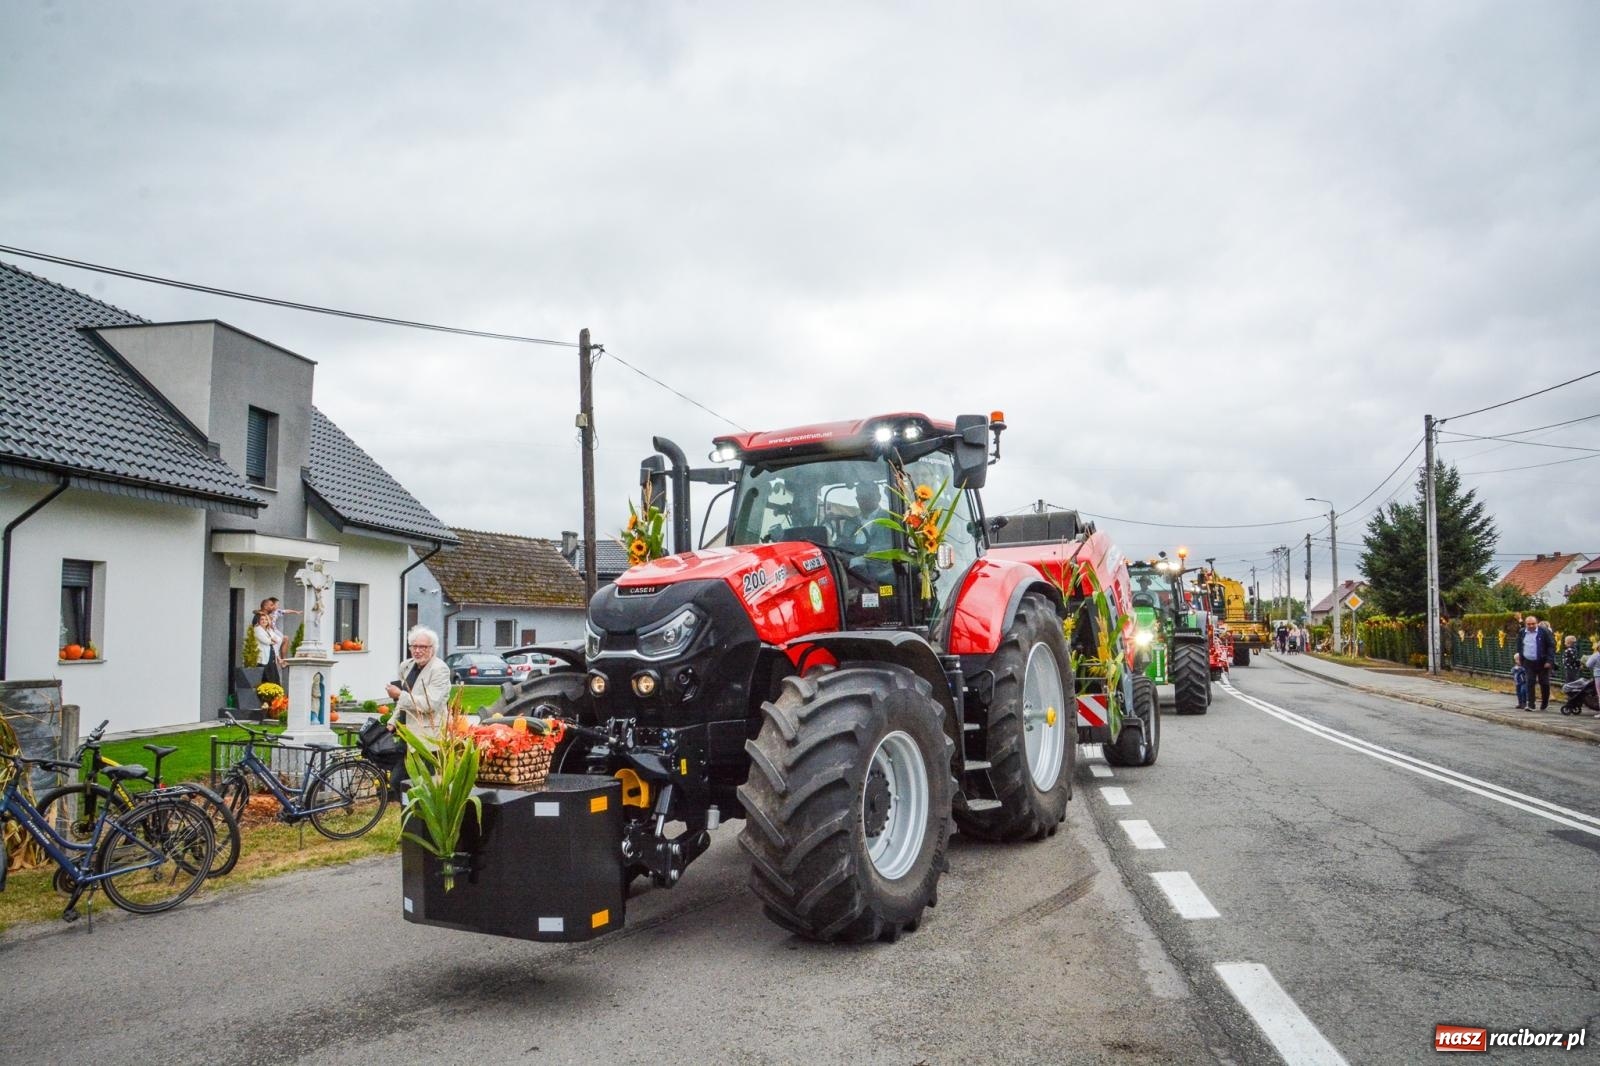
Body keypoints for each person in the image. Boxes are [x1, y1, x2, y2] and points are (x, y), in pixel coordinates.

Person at [380, 625, 452, 798]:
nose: (417, 651)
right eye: (414, 646)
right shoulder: (407, 666)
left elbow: (430, 704)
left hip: (428, 737)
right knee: (397, 781)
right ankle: (409, 814)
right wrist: (392, 721)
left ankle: (423, 817)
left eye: (423, 647)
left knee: (425, 782)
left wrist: (399, 694)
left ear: (432, 649)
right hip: (407, 734)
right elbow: (403, 701)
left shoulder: (439, 669)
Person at [1517, 615, 1555, 711]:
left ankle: (1545, 702)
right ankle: (1531, 704)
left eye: (1533, 624)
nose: (1531, 626)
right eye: (1528, 624)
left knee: (1544, 683)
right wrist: (1521, 659)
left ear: (1537, 623)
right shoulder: (1522, 632)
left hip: (1542, 661)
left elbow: (1551, 646)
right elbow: (1519, 646)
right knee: (1530, 682)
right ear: (1525, 624)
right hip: (1528, 661)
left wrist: (1549, 660)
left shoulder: (1543, 631)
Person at [851, 481, 896, 553]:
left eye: (869, 495)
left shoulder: (890, 519)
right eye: (862, 497)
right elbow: (842, 544)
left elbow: (896, 546)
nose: (865, 500)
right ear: (857, 499)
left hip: (878, 562)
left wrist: (875, 551)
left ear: (879, 497)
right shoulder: (850, 522)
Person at [252, 609, 283, 686]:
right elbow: (265, 641)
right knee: (266, 678)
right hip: (263, 658)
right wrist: (272, 640)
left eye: (266, 619)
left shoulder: (268, 630)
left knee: (274, 677)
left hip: (271, 657)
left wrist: (272, 640)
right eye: (262, 619)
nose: (264, 621)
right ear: (258, 621)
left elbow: (278, 639)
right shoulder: (257, 629)